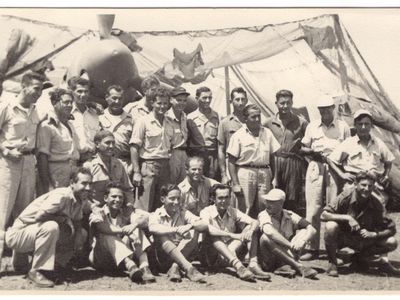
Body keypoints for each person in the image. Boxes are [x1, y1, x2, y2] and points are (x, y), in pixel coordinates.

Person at [3, 167, 92, 287]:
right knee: (52, 226)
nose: (88, 188)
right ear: (72, 183)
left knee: (80, 232)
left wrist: (78, 237)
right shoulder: (62, 196)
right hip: (19, 233)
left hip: (35, 233)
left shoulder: (80, 198)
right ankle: (36, 271)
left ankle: (55, 267)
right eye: (84, 183)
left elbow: (77, 220)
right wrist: (63, 219)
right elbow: (39, 217)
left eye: (90, 184)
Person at [0, 71, 44, 269]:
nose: (39, 93)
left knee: (24, 213)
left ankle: (20, 260)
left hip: (28, 161)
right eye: (36, 88)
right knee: (2, 212)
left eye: (41, 89)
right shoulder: (7, 108)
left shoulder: (36, 110)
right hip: (9, 163)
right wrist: (5, 151)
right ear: (24, 86)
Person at [300, 96, 351, 261]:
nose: (325, 111)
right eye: (322, 109)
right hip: (316, 166)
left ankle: (334, 251)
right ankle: (312, 249)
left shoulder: (343, 127)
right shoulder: (312, 126)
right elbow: (303, 148)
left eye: (328, 108)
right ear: (318, 110)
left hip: (335, 169)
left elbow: (348, 150)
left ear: (333, 108)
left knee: (334, 208)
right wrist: (313, 153)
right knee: (313, 208)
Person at [321, 171, 399, 277]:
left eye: (370, 186)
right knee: (330, 226)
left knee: (392, 242)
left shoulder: (377, 203)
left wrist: (374, 234)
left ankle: (359, 258)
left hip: (364, 240)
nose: (366, 189)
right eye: (363, 185)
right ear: (355, 184)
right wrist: (347, 218)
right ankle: (333, 263)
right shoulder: (346, 196)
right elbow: (324, 215)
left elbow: (391, 229)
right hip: (344, 238)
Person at [200, 184, 271, 282]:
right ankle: (239, 267)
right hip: (213, 255)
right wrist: (233, 235)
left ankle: (253, 264)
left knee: (251, 227)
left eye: (226, 197)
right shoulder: (206, 212)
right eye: (220, 198)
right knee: (214, 236)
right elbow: (208, 229)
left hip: (231, 250)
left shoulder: (232, 211)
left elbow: (255, 222)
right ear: (213, 199)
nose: (224, 201)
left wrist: (250, 231)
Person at [89, 182, 155, 283]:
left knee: (137, 228)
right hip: (102, 258)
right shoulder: (99, 212)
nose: (118, 200)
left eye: (120, 197)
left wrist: (133, 226)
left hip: (121, 259)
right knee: (108, 234)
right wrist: (126, 232)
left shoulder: (125, 211)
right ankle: (130, 265)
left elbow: (146, 219)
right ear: (106, 198)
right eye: (114, 197)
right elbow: (101, 227)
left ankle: (144, 267)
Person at [328, 109, 394, 208]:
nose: (363, 127)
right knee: (351, 208)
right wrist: (342, 174)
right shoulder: (349, 143)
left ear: (371, 125)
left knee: (378, 210)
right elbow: (331, 160)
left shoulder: (378, 143)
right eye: (360, 124)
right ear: (355, 125)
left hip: (374, 184)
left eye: (367, 124)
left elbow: (388, 160)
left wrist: (386, 175)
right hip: (354, 183)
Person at [227, 104, 280, 216]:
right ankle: (243, 232)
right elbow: (231, 161)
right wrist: (235, 183)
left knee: (264, 206)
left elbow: (272, 158)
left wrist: (274, 177)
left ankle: (262, 232)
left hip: (264, 173)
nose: (257, 120)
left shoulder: (267, 133)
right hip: (245, 173)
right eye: (253, 117)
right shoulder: (238, 135)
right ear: (245, 119)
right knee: (245, 208)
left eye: (258, 116)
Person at [148, 184, 207, 282]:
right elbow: (152, 227)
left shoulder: (183, 212)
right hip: (162, 258)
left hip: (181, 253)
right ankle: (189, 268)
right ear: (163, 199)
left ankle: (175, 267)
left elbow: (203, 223)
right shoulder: (157, 213)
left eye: (178, 199)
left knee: (194, 230)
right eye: (172, 199)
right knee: (162, 235)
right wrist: (176, 229)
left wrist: (189, 226)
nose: (176, 202)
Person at [258, 189, 318, 279]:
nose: (268, 204)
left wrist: (303, 242)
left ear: (281, 203)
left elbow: (312, 229)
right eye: (267, 201)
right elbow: (269, 232)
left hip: (286, 255)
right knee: (265, 237)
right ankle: (298, 266)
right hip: (269, 259)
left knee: (304, 231)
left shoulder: (288, 214)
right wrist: (290, 245)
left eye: (272, 202)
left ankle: (284, 267)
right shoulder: (263, 214)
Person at [265, 89, 308, 213]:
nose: (285, 106)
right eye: (282, 103)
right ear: (276, 103)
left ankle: (290, 227)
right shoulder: (268, 123)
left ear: (292, 103)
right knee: (274, 195)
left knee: (292, 198)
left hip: (293, 163)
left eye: (288, 103)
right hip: (274, 162)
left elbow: (309, 141)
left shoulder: (301, 122)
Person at [130, 87, 173, 212]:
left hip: (165, 167)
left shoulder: (169, 122)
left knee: (161, 206)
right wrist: (137, 172)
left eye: (165, 103)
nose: (162, 106)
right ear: (152, 103)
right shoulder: (143, 121)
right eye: (159, 103)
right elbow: (134, 147)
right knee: (143, 206)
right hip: (148, 166)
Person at [37, 88, 79, 195]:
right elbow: (42, 157)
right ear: (54, 103)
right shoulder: (47, 126)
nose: (70, 105)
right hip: (55, 175)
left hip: (71, 174)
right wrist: (47, 184)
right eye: (66, 102)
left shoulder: (70, 125)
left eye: (71, 102)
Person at [84, 130, 133, 206]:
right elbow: (82, 194)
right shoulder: (89, 166)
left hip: (117, 209)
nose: (111, 146)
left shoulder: (119, 164)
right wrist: (92, 207)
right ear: (97, 144)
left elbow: (128, 189)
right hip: (97, 209)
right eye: (107, 143)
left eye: (113, 143)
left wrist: (129, 205)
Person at [99, 85, 133, 175]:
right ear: (107, 97)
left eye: (120, 99)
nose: (117, 102)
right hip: (103, 163)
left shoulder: (131, 120)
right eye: (114, 98)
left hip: (124, 163)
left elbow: (137, 146)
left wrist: (132, 167)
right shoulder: (99, 117)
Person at [217, 87, 248, 185]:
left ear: (246, 101)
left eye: (243, 99)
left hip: (249, 164)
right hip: (232, 164)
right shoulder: (225, 123)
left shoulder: (252, 120)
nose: (240, 102)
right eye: (237, 99)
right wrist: (223, 174)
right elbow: (221, 149)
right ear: (231, 101)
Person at [187, 86, 220, 179]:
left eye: (210, 98)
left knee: (212, 182)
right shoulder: (190, 118)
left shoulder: (217, 117)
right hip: (196, 156)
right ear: (197, 99)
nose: (207, 100)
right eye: (204, 98)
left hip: (212, 157)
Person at [68, 76, 100, 164]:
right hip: (73, 161)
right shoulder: (66, 113)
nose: (83, 95)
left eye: (86, 91)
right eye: (79, 91)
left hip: (91, 160)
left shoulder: (94, 114)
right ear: (72, 92)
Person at [165, 87, 189, 184]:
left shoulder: (184, 116)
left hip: (183, 154)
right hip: (172, 154)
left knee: (183, 184)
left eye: (184, 100)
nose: (182, 103)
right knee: (171, 184)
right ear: (171, 100)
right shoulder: (166, 117)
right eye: (179, 100)